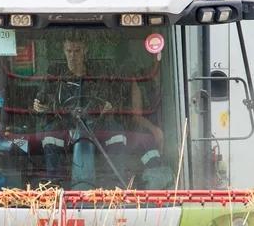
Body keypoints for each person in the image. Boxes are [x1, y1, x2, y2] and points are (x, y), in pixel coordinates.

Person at [32, 37, 171, 189]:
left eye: (77, 51)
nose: (72, 55)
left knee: (118, 133)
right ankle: (54, 184)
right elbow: (43, 97)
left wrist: (108, 107)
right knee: (49, 134)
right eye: (69, 51)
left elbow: (110, 100)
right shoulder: (54, 73)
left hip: (97, 123)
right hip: (66, 123)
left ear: (85, 50)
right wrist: (39, 106)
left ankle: (115, 185)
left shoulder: (98, 73)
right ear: (63, 51)